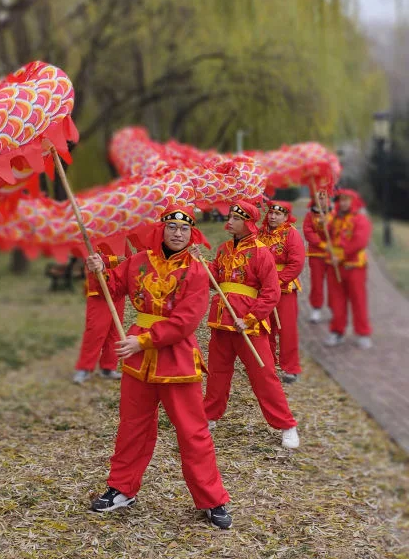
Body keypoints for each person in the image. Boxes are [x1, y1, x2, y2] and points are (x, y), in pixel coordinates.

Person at [85, 203, 232, 529]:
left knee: (193, 431)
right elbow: (112, 288)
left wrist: (142, 340)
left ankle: (212, 499)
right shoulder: (137, 262)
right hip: (138, 361)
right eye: (172, 227)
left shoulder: (196, 270)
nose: (177, 234)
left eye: (184, 229)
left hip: (176, 358)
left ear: (191, 233)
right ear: (161, 229)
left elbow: (186, 321)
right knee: (132, 426)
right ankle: (122, 488)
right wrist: (97, 270)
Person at [202, 201, 299, 449]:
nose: (230, 221)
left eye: (235, 218)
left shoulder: (260, 252)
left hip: (249, 325)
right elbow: (214, 278)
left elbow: (271, 293)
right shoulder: (224, 249)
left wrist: (250, 318)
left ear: (247, 222)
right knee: (217, 373)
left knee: (264, 375)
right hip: (222, 321)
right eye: (231, 217)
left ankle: (286, 424)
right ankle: (209, 416)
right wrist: (201, 265)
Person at [258, 201, 306, 384]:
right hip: (262, 287)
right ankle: (267, 365)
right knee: (264, 327)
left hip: (284, 287)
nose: (273, 216)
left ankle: (290, 368)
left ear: (286, 217)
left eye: (278, 214)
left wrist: (275, 280)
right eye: (271, 212)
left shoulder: (291, 234)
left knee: (287, 329)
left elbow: (297, 263)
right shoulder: (259, 233)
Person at [325, 189, 372, 349]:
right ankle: (337, 331)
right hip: (334, 265)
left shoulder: (360, 219)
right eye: (341, 200)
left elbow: (360, 242)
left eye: (347, 200)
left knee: (358, 300)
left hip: (354, 266)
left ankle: (363, 333)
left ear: (354, 201)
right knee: (336, 300)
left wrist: (342, 255)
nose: (343, 203)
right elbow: (327, 236)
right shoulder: (334, 219)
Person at [72, 254, 126, 384]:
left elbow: (129, 261)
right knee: (95, 331)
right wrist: (114, 260)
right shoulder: (93, 239)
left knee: (114, 332)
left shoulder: (122, 239)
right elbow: (90, 261)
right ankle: (84, 368)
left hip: (118, 289)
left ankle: (108, 368)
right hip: (98, 291)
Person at [302, 188, 333, 324]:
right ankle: (316, 308)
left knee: (334, 283)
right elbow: (308, 231)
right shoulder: (310, 216)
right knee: (317, 282)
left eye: (323, 197)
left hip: (333, 254)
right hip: (317, 254)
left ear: (328, 198)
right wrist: (321, 244)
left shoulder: (335, 214)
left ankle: (335, 308)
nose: (321, 200)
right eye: (318, 198)